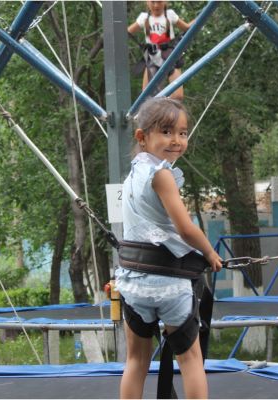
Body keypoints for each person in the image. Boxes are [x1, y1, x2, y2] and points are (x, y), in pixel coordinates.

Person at [115, 97, 222, 398]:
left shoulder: (133, 174)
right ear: (142, 137)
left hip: (133, 283)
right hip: (169, 284)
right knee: (190, 360)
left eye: (182, 133)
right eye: (166, 132)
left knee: (136, 361)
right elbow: (186, 229)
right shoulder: (162, 174)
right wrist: (209, 253)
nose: (176, 140)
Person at [128, 1, 193, 101]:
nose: (156, 5)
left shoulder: (170, 15)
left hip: (169, 55)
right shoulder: (144, 18)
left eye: (159, 1)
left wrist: (202, 16)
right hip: (152, 56)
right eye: (153, 2)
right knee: (146, 96)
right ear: (147, 2)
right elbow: (127, 32)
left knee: (178, 96)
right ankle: (159, 103)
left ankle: (163, 104)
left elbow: (187, 27)